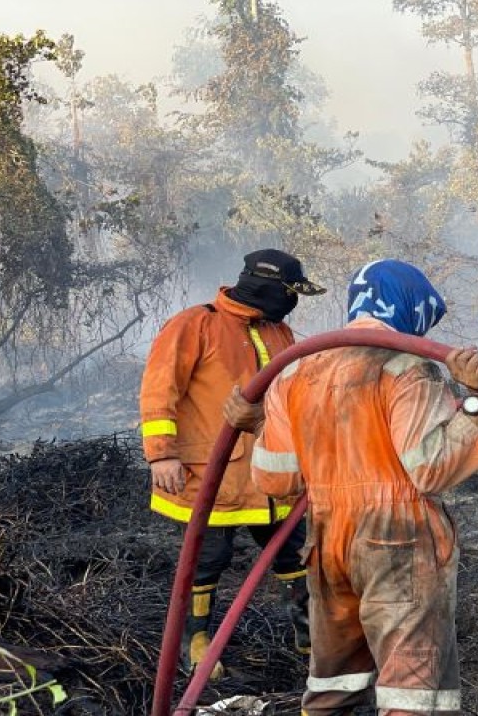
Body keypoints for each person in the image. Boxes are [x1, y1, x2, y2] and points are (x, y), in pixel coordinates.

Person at [251, 259, 478, 716]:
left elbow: (275, 479)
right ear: (411, 309)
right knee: (413, 693)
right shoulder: (406, 368)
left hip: (327, 541)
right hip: (398, 540)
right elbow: (433, 469)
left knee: (333, 687)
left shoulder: (294, 372)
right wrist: (477, 402)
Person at [139, 249, 325, 679]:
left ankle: (311, 634)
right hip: (212, 474)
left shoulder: (280, 332)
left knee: (295, 550)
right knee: (207, 558)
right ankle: (196, 641)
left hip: (270, 474)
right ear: (267, 285)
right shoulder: (194, 324)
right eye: (290, 292)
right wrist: (161, 454)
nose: (292, 301)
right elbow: (158, 390)